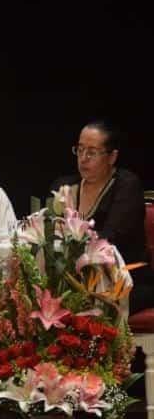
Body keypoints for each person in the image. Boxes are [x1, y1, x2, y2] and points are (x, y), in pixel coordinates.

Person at [51, 121, 153, 313]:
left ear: (112, 157)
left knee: (79, 303)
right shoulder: (64, 186)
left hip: (125, 278)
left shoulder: (126, 186)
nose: (83, 158)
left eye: (92, 152)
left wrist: (74, 221)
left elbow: (109, 240)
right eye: (80, 150)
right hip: (76, 279)